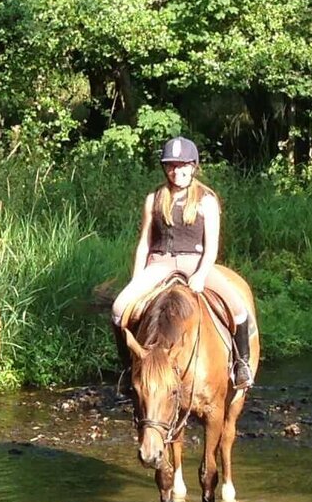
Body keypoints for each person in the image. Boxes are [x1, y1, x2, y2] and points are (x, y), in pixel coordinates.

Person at [109, 136, 255, 390]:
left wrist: (200, 275)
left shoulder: (206, 200)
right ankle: (129, 367)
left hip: (195, 261)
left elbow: (212, 247)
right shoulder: (154, 199)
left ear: (193, 166)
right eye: (171, 166)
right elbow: (144, 242)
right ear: (165, 168)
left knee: (238, 308)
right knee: (119, 309)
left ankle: (241, 364)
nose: (177, 171)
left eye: (183, 165)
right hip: (160, 263)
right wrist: (137, 276)